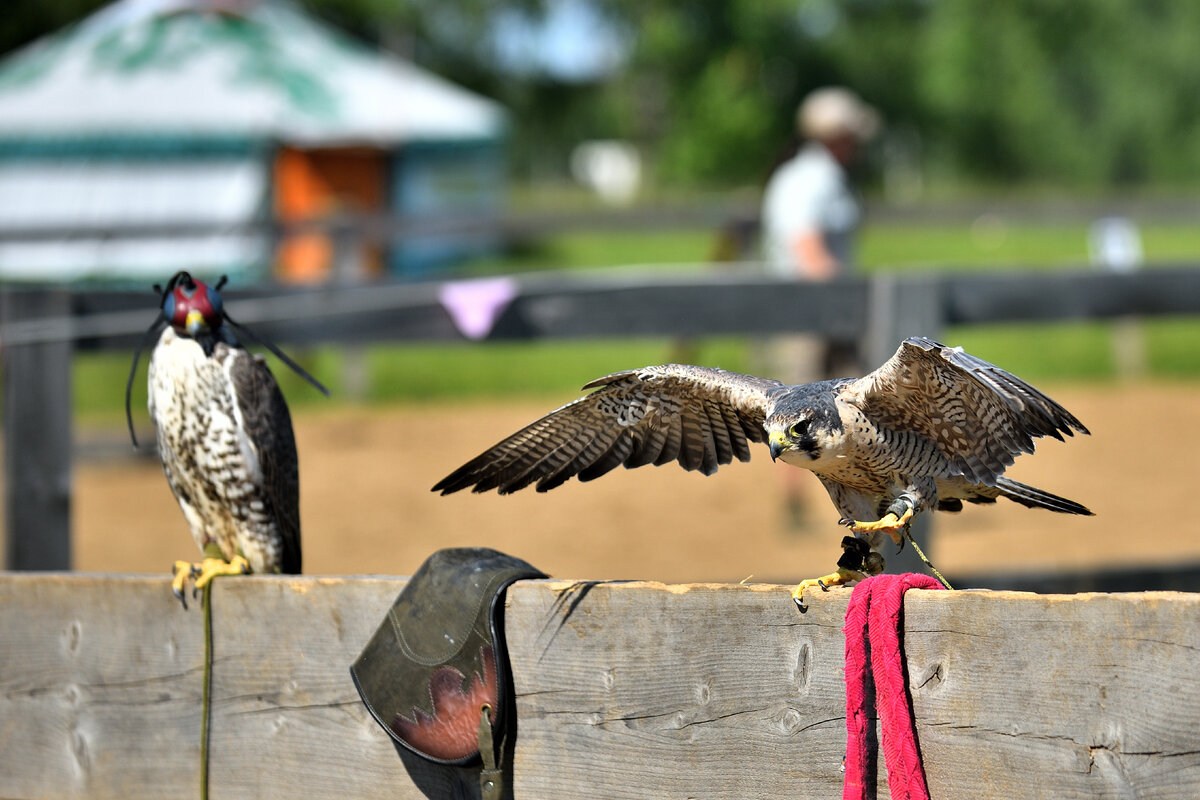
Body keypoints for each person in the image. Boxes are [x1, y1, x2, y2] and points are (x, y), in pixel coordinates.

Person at [759, 87, 880, 528]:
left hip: (815, 310)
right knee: (804, 406)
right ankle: (804, 509)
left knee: (814, 403)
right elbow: (806, 248)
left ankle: (818, 506)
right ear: (839, 136)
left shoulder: (805, 173)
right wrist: (850, 301)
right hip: (814, 312)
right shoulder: (816, 178)